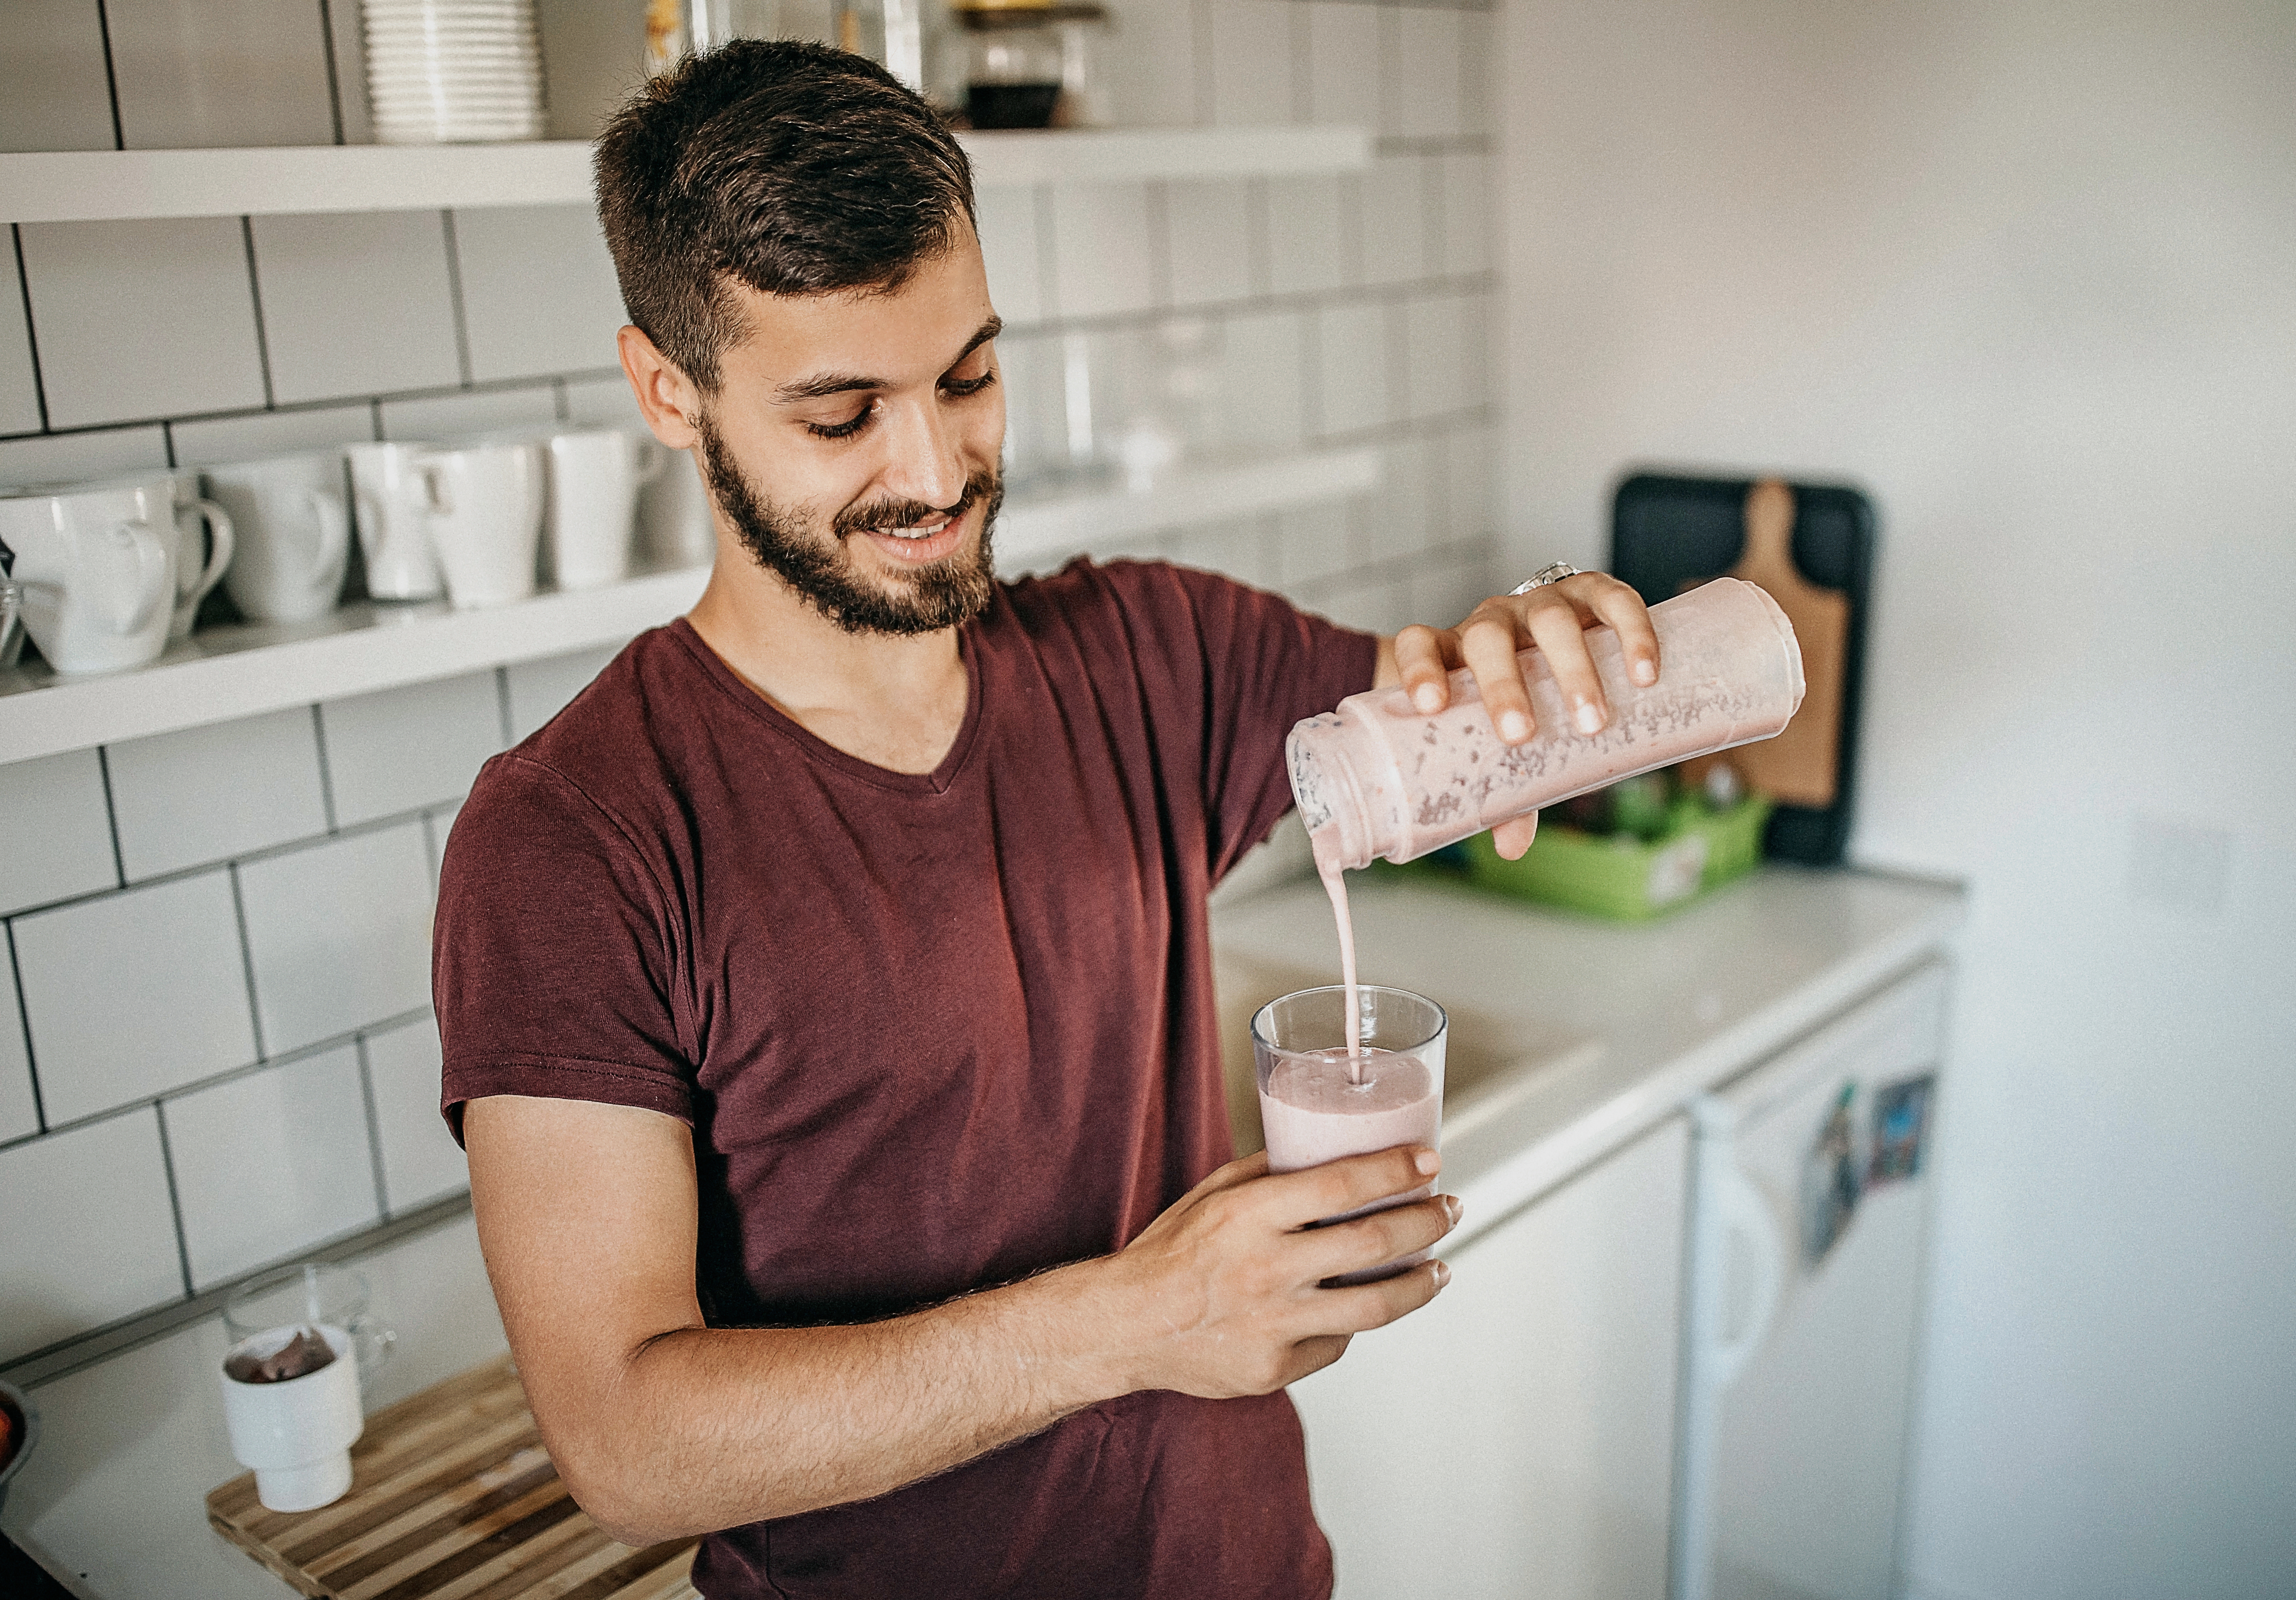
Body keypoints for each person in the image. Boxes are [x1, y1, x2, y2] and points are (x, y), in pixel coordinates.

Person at [432, 40, 1662, 1600]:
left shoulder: (1152, 655)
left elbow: (1472, 729)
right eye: (841, 417)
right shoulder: (572, 840)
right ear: (670, 391)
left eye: (967, 376)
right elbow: (625, 1445)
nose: (935, 468)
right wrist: (1143, 1319)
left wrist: (1539, 635)